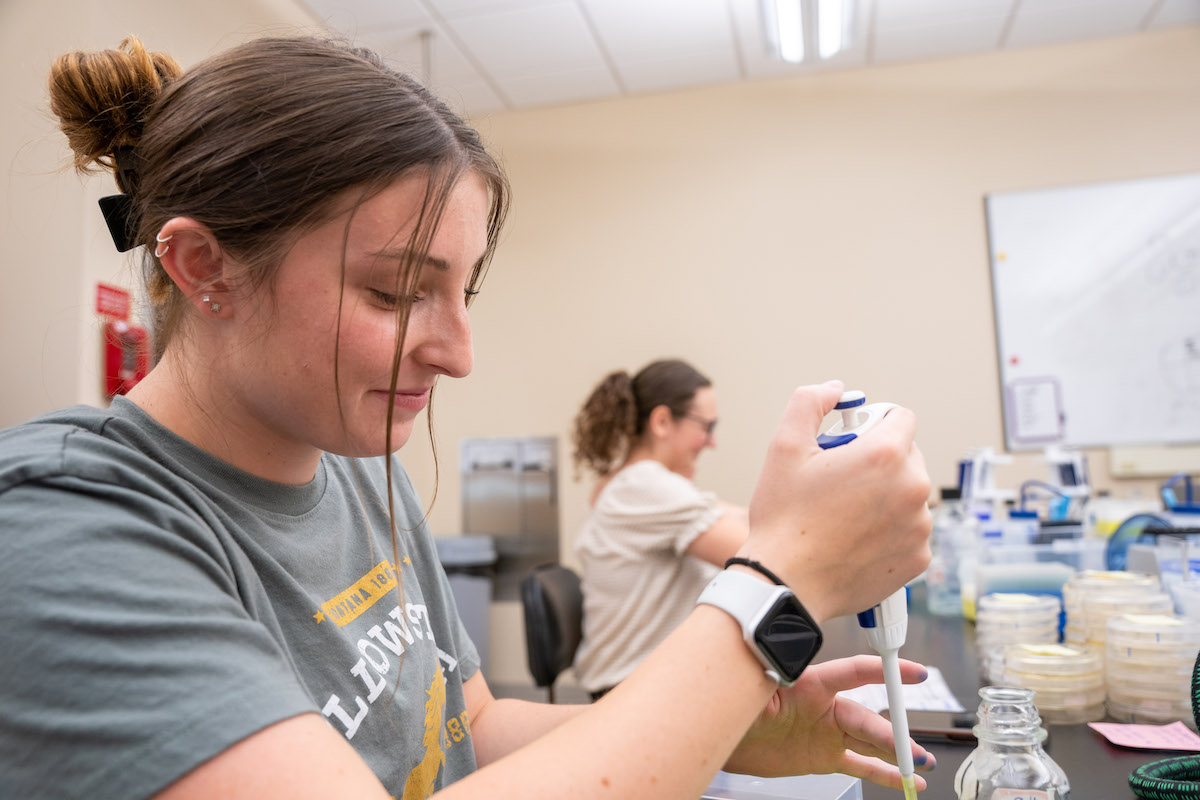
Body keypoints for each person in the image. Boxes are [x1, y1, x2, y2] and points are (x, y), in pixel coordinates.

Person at [0, 35, 935, 800]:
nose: (457, 353)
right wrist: (772, 590)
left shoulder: (360, 465)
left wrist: (722, 730)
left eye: (463, 293)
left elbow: (475, 726)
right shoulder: (62, 530)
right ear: (204, 268)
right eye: (397, 292)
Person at [571, 359, 750, 698]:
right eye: (705, 427)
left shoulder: (634, 484)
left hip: (636, 686)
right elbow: (758, 554)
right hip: (633, 693)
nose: (710, 442)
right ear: (663, 421)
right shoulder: (643, 485)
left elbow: (740, 518)